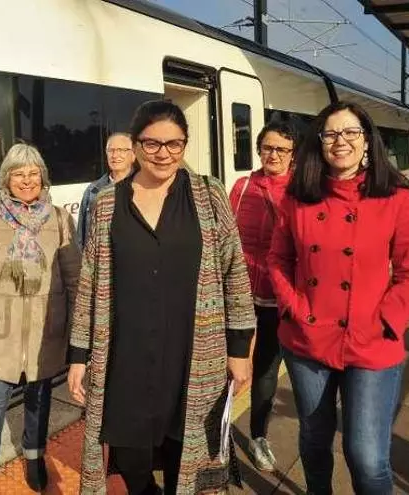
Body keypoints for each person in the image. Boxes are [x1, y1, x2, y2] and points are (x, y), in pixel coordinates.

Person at [66, 100, 255, 494]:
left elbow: (235, 272)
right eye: (152, 143)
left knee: (186, 456)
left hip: (194, 354)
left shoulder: (209, 195)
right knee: (130, 458)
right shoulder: (107, 203)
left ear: (184, 144)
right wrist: (78, 356)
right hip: (125, 358)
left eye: (174, 144)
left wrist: (240, 350)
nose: (163, 153)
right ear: (135, 145)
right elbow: (89, 284)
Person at [268, 101, 409, 495]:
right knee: (314, 440)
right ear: (319, 142)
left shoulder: (395, 197)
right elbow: (278, 259)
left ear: (367, 140)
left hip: (371, 341)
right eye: (330, 134)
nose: (340, 141)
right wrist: (294, 307)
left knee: (367, 458)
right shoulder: (298, 196)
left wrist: (386, 321)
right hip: (307, 339)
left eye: (351, 132)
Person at [0, 143, 81, 494]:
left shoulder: (59, 218)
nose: (27, 180)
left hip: (46, 328)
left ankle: (34, 457)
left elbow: (73, 276)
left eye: (33, 173)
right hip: (0, 331)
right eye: (18, 174)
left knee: (40, 398)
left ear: (42, 177)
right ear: (6, 179)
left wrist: (77, 331)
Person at [228, 119, 298, 472]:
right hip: (238, 296)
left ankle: (258, 435)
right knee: (226, 365)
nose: (274, 155)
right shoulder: (241, 188)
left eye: (282, 149)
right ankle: (217, 432)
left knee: (267, 369)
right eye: (268, 147)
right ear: (258, 150)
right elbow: (225, 237)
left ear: (292, 154)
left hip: (276, 298)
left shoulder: (300, 192)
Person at [76, 132, 135, 249]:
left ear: (134, 155)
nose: (115, 155)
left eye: (121, 150)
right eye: (111, 150)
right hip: (100, 258)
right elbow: (81, 238)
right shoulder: (93, 191)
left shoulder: (144, 188)